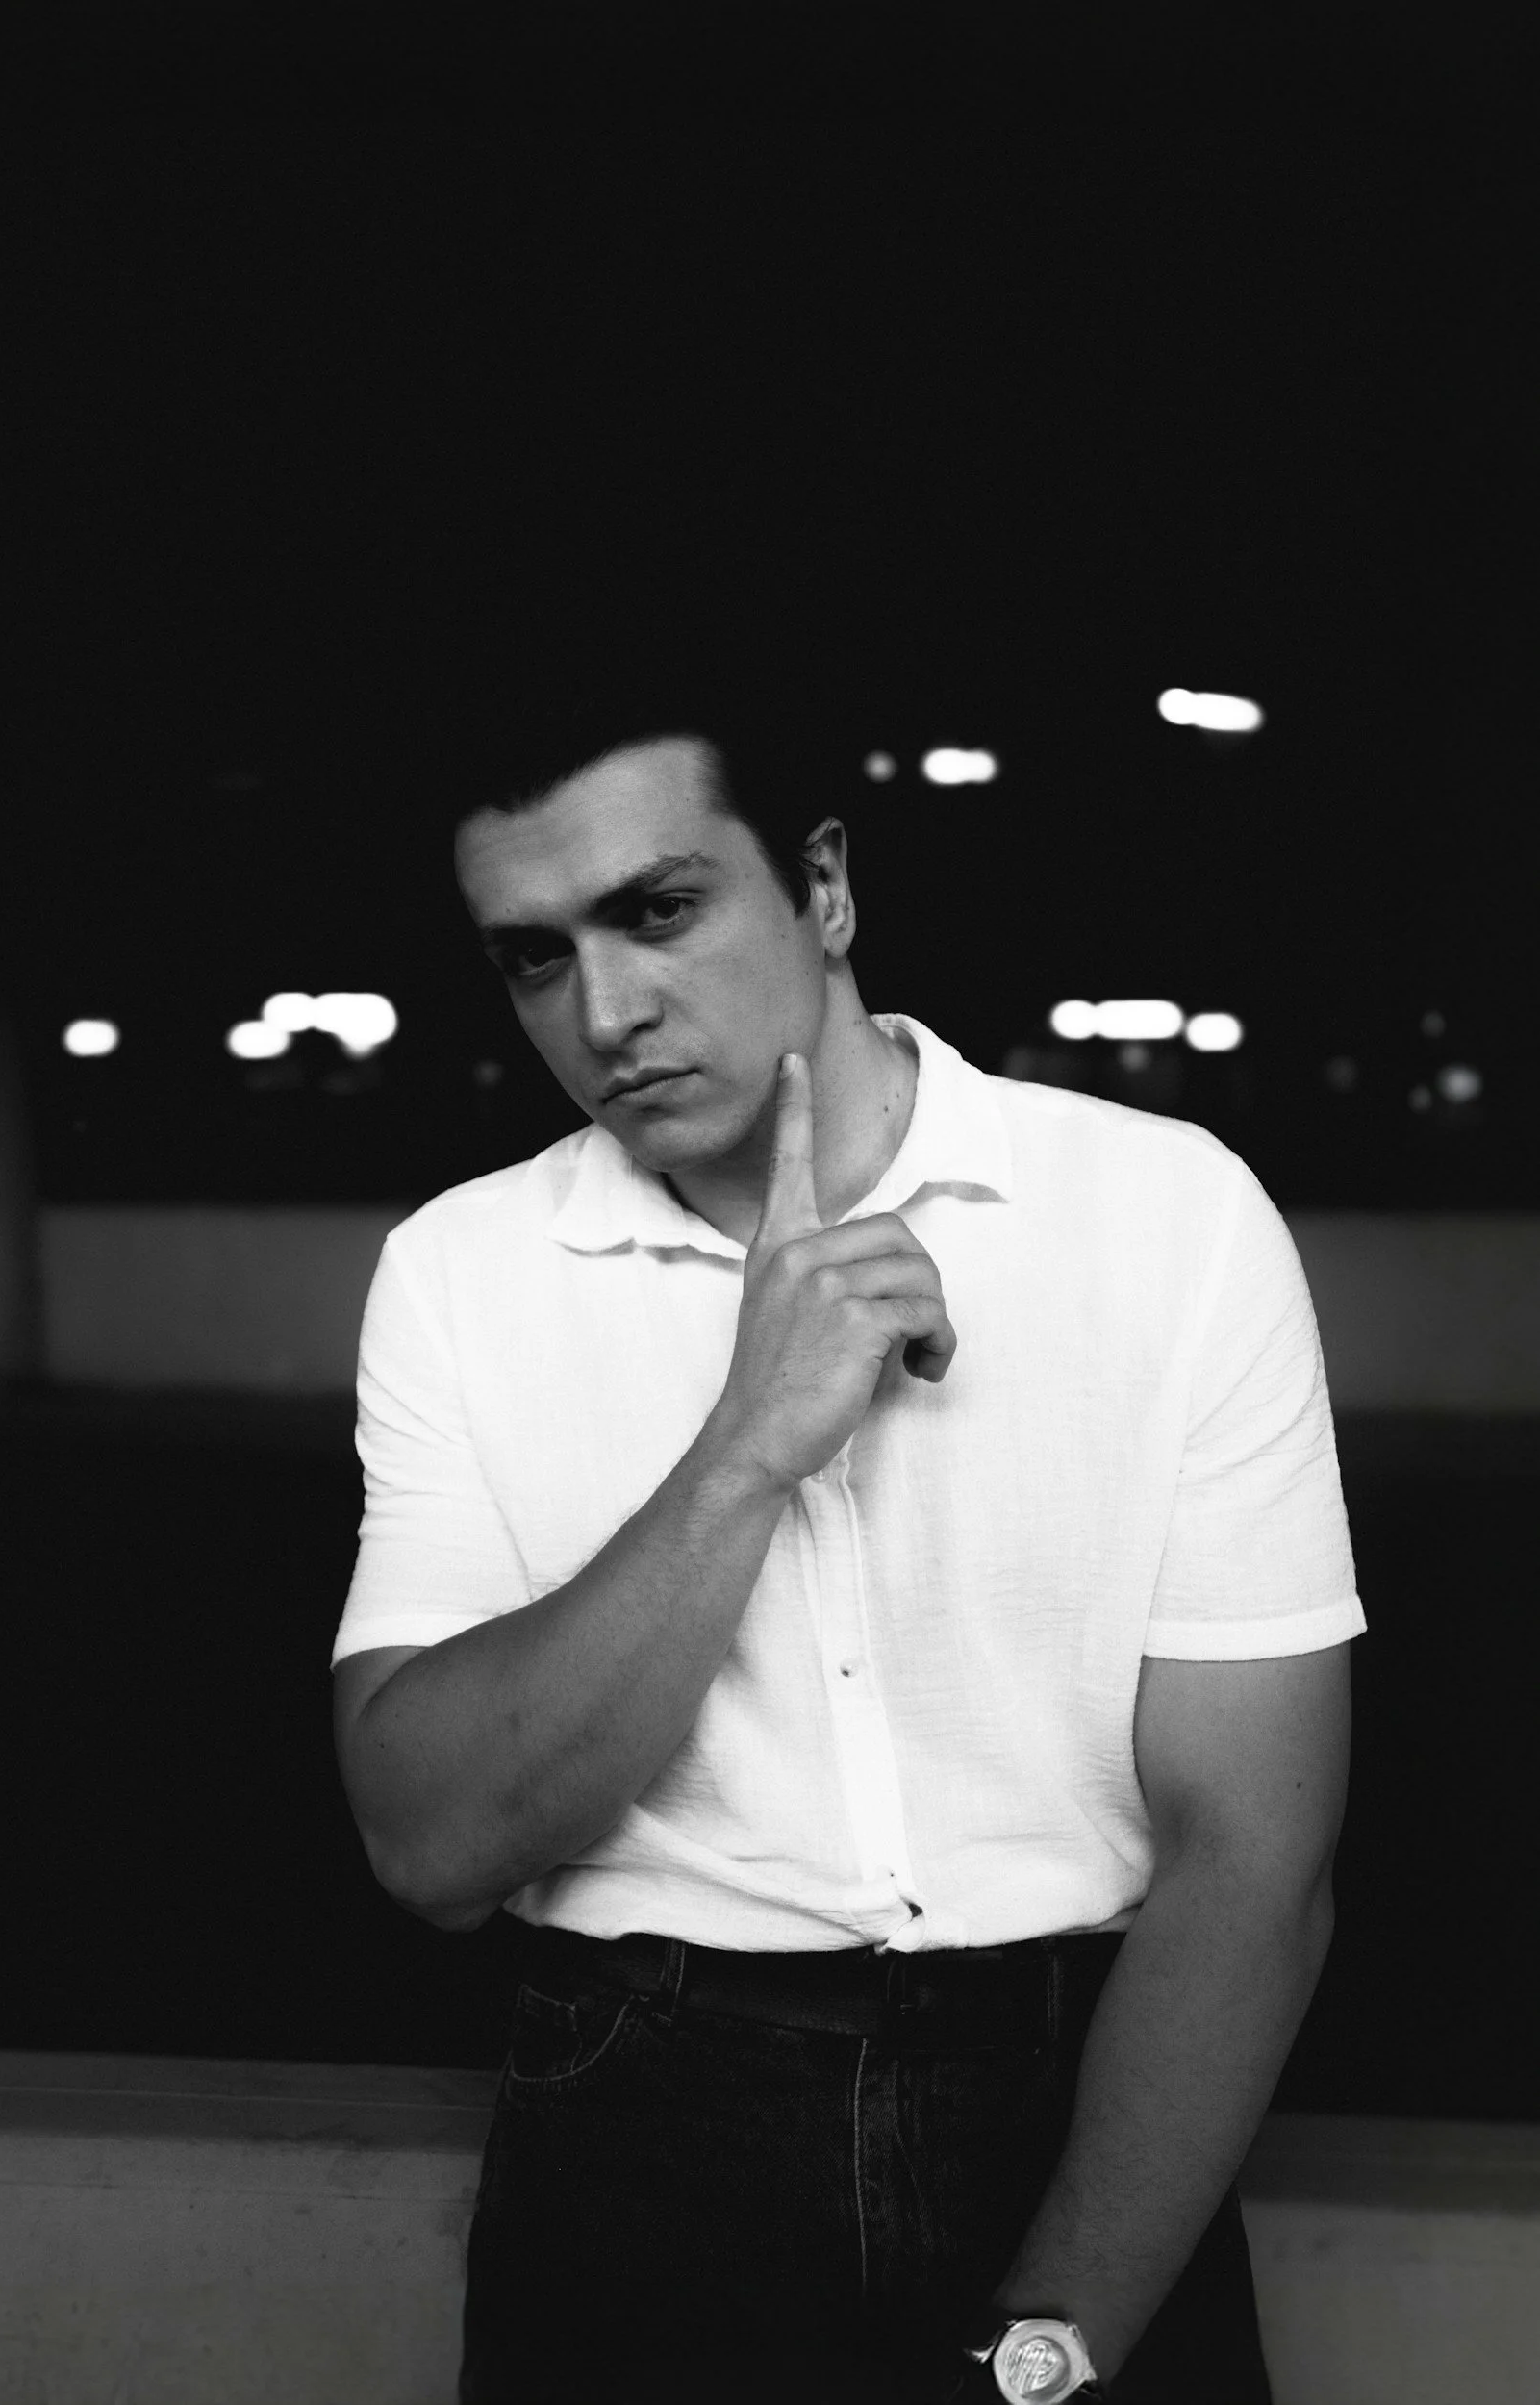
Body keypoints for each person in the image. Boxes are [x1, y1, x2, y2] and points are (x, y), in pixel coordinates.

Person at [330, 701, 1364, 2404]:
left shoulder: (1162, 1217)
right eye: (531, 959)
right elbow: (429, 1838)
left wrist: (1040, 2361)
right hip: (636, 2127)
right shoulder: (461, 1272)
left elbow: (1255, 1865)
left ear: (819, 886)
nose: (602, 1014)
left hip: (1087, 2105)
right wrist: (750, 1438)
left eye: (658, 911)